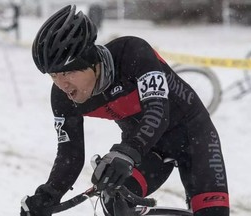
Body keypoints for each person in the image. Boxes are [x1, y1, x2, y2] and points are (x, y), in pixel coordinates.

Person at [20, 5, 230, 216]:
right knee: (116, 201)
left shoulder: (131, 53)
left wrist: (127, 152)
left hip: (194, 136)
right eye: (53, 76)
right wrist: (48, 196)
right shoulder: (63, 97)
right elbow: (71, 155)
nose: (62, 84)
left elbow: (158, 112)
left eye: (67, 72)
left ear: (91, 61)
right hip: (149, 149)